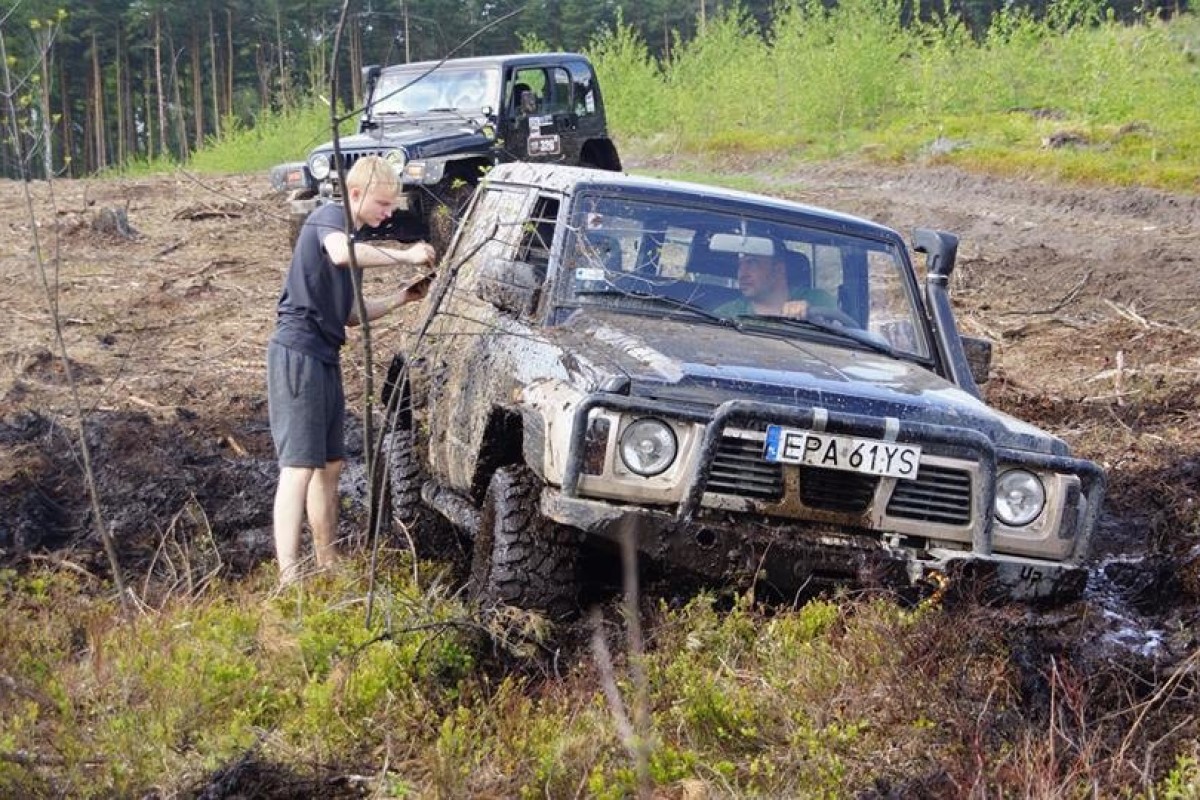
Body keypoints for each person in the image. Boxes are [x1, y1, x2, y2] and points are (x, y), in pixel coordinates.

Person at [266, 155, 437, 586]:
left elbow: (351, 315)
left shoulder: (353, 234)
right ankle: (289, 577)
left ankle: (327, 563)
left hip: (326, 354)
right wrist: (405, 254)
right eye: (382, 205)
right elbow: (343, 255)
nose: (388, 214)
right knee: (298, 468)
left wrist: (404, 297)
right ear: (355, 194)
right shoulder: (330, 217)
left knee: (331, 465)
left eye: (391, 207)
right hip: (297, 351)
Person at [714, 251, 837, 318]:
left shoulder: (817, 299)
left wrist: (809, 311)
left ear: (778, 270)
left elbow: (841, 333)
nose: (742, 274)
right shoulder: (727, 314)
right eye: (740, 265)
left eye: (752, 263)